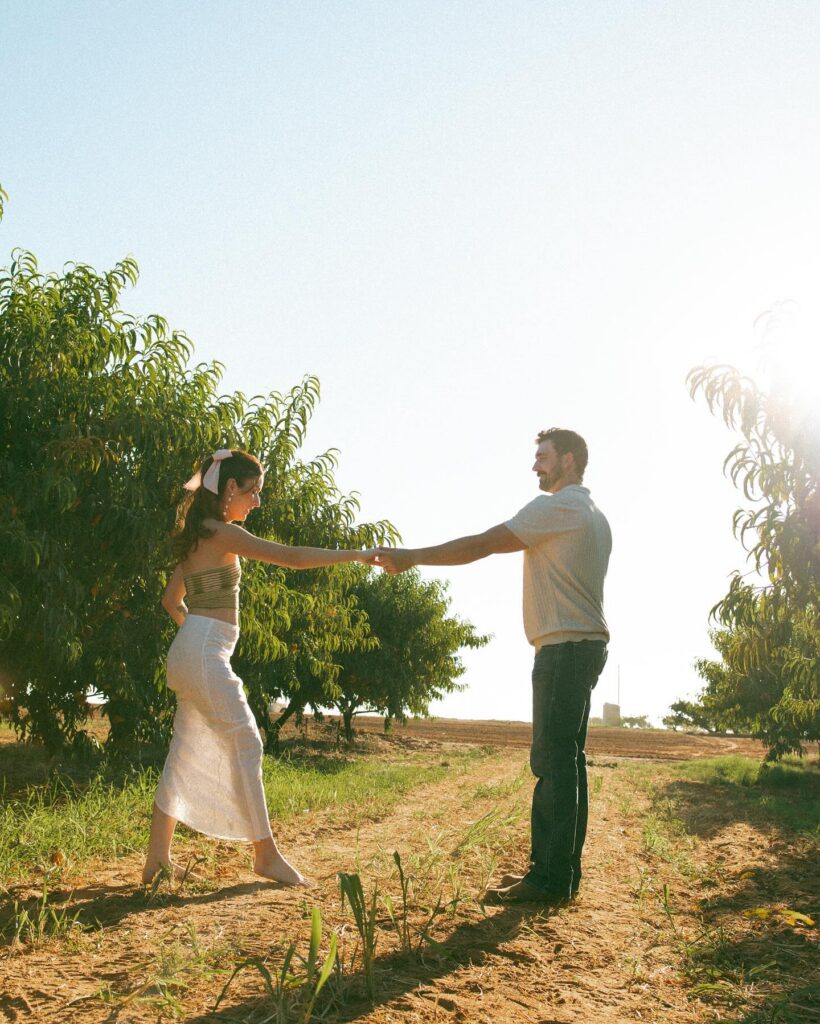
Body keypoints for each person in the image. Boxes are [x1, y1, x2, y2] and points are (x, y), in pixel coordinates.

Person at [376, 428, 611, 905]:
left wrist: (412, 557)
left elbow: (483, 544)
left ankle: (548, 881)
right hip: (581, 646)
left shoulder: (558, 507)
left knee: (553, 763)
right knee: (567, 764)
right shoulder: (592, 513)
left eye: (543, 457)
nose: (535, 466)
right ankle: (559, 876)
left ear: (568, 460)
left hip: (565, 650)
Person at [143, 448, 375, 887]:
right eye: (253, 491)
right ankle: (265, 855)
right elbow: (293, 557)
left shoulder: (198, 535)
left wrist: (195, 633)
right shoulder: (223, 533)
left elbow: (171, 601)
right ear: (230, 487)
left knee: (184, 748)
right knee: (247, 741)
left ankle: (157, 861)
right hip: (204, 651)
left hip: (190, 649)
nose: (257, 501)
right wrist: (356, 555)